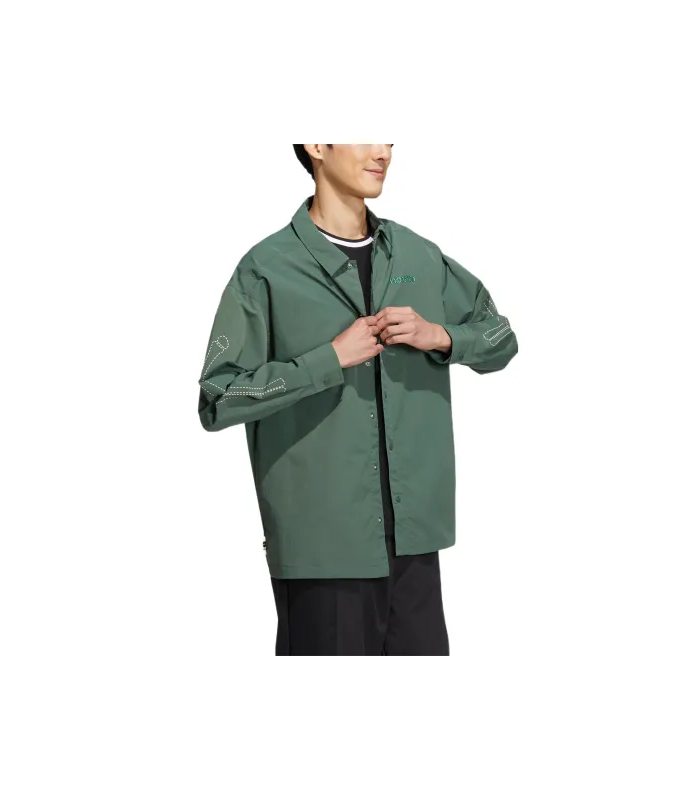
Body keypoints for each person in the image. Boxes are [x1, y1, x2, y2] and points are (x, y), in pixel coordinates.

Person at [197, 144, 518, 655]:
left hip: (416, 542)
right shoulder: (267, 268)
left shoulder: (418, 256)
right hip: (322, 548)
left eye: (388, 137)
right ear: (316, 145)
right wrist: (328, 359)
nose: (382, 150)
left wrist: (440, 336)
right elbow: (218, 398)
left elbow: (500, 338)